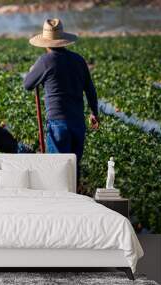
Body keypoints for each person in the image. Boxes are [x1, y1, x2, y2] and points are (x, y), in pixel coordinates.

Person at [23, 18, 99, 183]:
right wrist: (94, 112)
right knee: (73, 169)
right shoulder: (79, 60)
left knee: (57, 171)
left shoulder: (45, 61)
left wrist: (32, 72)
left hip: (58, 123)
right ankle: (75, 200)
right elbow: (90, 89)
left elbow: (28, 84)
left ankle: (60, 205)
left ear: (46, 43)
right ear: (63, 40)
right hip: (78, 122)